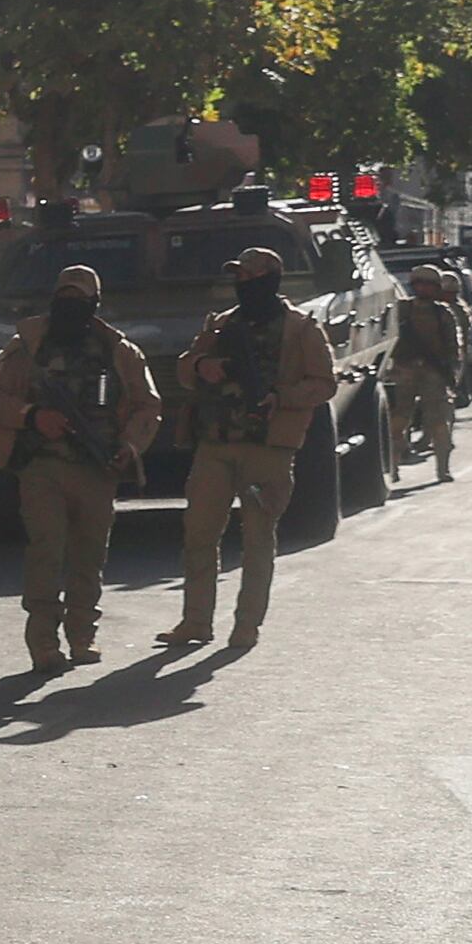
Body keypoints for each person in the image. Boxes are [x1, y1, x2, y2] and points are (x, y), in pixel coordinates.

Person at [0, 261, 161, 676]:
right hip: (42, 467)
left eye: (79, 300)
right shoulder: (27, 346)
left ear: (95, 304)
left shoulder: (118, 351)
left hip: (96, 471)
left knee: (89, 557)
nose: (70, 307)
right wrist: (31, 416)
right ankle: (43, 642)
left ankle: (82, 634)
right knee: (46, 551)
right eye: (64, 298)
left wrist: (130, 447)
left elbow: (148, 405)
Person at [165, 244, 335, 656]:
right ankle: (195, 621)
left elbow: (325, 383)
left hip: (267, 450)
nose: (241, 284)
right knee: (200, 533)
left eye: (249, 277)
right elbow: (185, 370)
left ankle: (246, 626)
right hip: (216, 444)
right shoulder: (222, 324)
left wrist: (283, 395)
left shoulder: (300, 328)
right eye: (238, 277)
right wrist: (202, 365)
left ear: (269, 280)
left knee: (258, 539)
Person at [392, 265, 467, 483]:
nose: (423, 288)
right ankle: (393, 468)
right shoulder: (402, 310)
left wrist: (452, 374)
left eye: (428, 285)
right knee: (398, 422)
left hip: (433, 373)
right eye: (419, 284)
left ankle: (442, 469)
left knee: (438, 423)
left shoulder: (443, 313)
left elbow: (454, 347)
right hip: (404, 370)